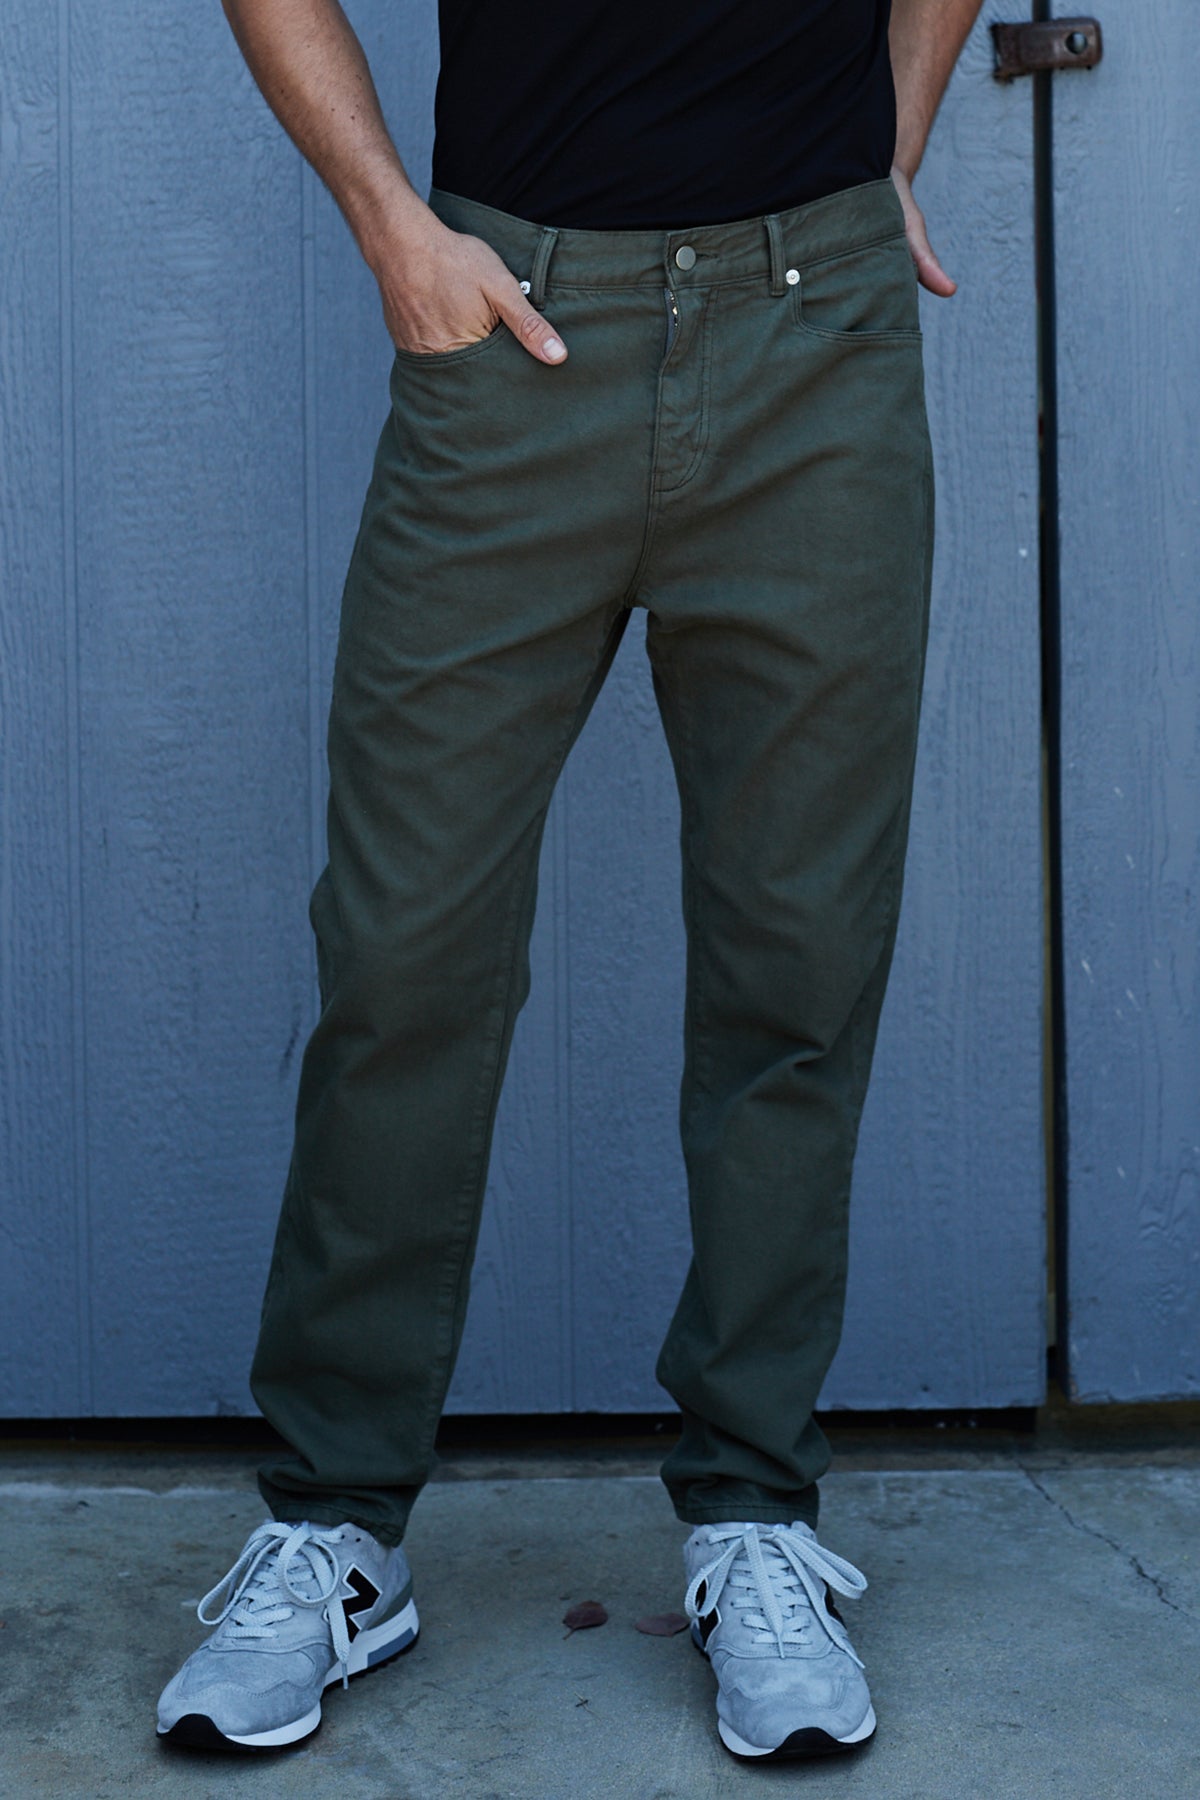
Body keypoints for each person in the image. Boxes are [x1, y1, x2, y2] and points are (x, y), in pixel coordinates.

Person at [156, 0, 984, 1763]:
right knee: (405, 952)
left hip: (814, 334)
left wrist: (883, 161)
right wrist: (390, 220)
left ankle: (756, 1510)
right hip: (509, 333)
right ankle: (337, 1529)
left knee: (799, 955)